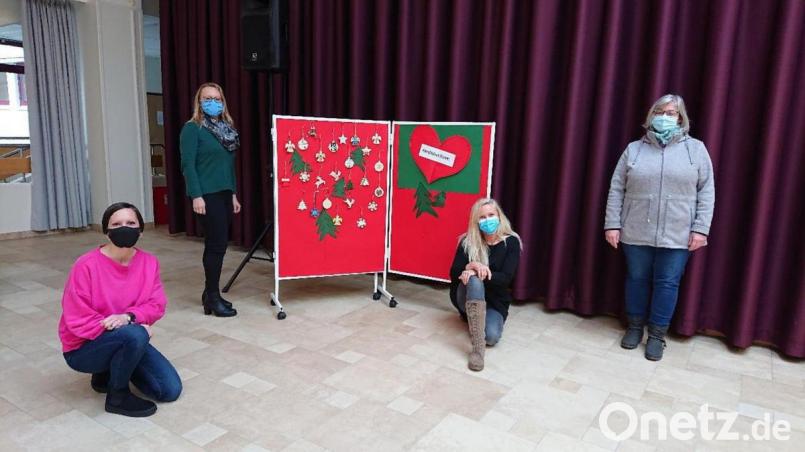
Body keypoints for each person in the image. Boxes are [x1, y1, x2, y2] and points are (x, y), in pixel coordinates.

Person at [604, 93, 715, 361]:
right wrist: (612, 224)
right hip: (636, 230)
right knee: (636, 279)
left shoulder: (696, 150)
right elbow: (617, 188)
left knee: (667, 283)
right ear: (652, 115)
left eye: (672, 113)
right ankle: (634, 327)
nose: (665, 117)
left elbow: (707, 191)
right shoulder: (634, 149)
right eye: (661, 112)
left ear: (681, 118)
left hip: (678, 234)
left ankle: (656, 335)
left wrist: (701, 229)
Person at [59, 202, 182, 417]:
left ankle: (106, 373)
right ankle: (118, 396)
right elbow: (77, 317)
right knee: (135, 334)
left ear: (140, 231)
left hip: (127, 335)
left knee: (169, 390)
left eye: (130, 223)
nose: (124, 227)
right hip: (83, 349)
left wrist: (129, 318)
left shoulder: (149, 263)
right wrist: (131, 331)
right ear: (107, 232)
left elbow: (156, 304)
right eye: (116, 224)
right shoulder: (85, 265)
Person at [180, 82, 241, 317]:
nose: (212, 103)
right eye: (207, 98)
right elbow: (188, 165)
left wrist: (233, 194)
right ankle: (212, 297)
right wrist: (196, 195)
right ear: (199, 102)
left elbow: (228, 166)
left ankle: (210, 294)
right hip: (206, 194)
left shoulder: (227, 129)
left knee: (220, 244)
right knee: (215, 245)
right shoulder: (192, 128)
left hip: (224, 193)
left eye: (217, 98)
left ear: (223, 102)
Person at [449, 198, 522, 371]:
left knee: (491, 337)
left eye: (491, 215)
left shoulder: (511, 242)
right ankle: (477, 350)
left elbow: (505, 278)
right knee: (473, 280)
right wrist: (471, 266)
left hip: (494, 302)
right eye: (482, 217)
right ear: (476, 221)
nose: (487, 220)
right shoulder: (467, 241)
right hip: (465, 295)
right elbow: (453, 273)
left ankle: (473, 319)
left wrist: (481, 271)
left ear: (499, 216)